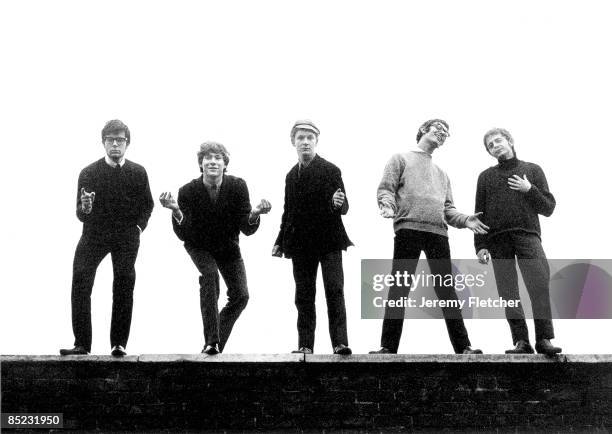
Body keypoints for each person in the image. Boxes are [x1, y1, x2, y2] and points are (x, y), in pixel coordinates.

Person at [370, 119, 487, 355]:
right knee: (399, 288)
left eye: (446, 133)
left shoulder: (442, 173)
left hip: (438, 234)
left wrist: (466, 220)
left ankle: (464, 347)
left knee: (446, 289)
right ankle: (387, 347)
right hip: (408, 229)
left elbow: (448, 209)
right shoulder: (400, 158)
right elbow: (386, 188)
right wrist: (386, 205)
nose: (443, 134)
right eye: (439, 129)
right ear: (424, 129)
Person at [160, 142, 271, 355]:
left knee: (241, 295)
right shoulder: (188, 191)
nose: (212, 161)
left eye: (218, 158)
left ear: (225, 164)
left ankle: (216, 339)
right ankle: (212, 341)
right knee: (210, 277)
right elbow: (185, 233)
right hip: (199, 245)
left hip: (227, 246)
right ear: (201, 164)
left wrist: (255, 213)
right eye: (208, 158)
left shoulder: (238, 186)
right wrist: (176, 210)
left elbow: (246, 228)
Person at [60, 119, 154, 357]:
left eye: (120, 140)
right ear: (103, 143)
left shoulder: (138, 172)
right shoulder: (89, 173)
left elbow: (148, 205)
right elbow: (80, 213)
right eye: (110, 140)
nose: (115, 144)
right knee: (81, 279)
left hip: (126, 236)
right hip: (94, 234)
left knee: (124, 281)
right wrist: (87, 207)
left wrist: (138, 228)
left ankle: (118, 344)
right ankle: (82, 343)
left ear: (127, 143)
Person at [475, 128, 561, 355]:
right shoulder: (485, 177)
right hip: (497, 240)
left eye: (498, 141)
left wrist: (529, 189)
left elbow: (549, 207)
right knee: (508, 292)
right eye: (490, 145)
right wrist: (480, 245)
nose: (495, 146)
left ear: (510, 141)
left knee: (539, 283)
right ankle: (521, 342)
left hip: (527, 235)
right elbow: (479, 213)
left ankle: (544, 339)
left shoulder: (532, 170)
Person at [272, 120, 353, 355]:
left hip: (329, 241)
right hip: (300, 245)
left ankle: (340, 343)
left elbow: (344, 204)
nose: (305, 142)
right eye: (301, 138)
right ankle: (305, 345)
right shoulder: (290, 175)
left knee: (334, 291)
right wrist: (279, 241)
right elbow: (288, 212)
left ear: (316, 141)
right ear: (293, 142)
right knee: (304, 296)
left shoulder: (330, 170)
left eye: (310, 138)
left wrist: (337, 203)